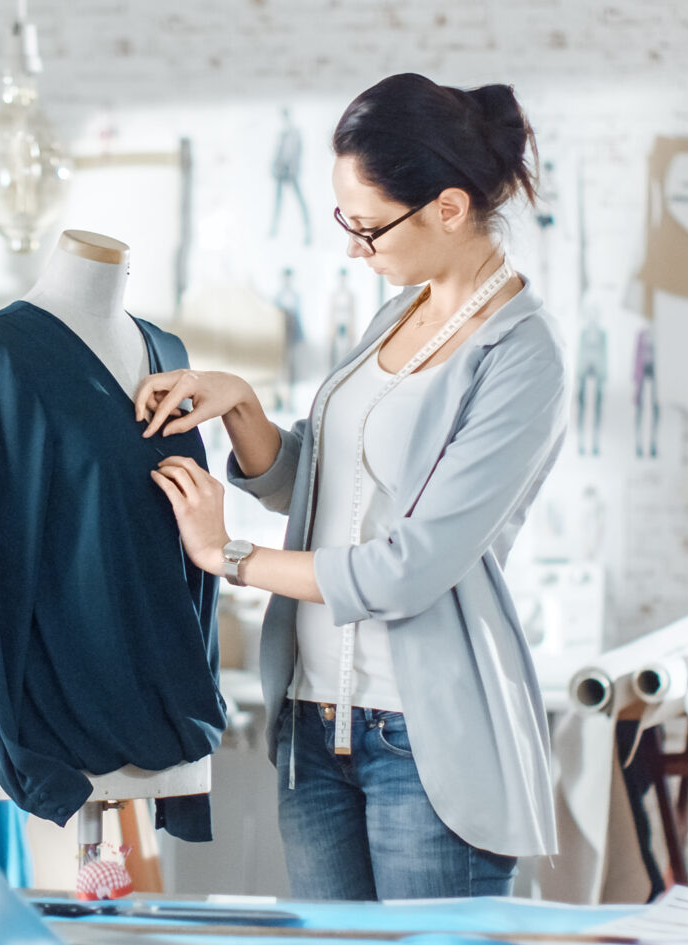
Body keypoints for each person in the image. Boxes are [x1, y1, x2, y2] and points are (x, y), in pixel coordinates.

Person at [134, 73, 565, 900]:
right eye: (345, 222)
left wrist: (227, 555)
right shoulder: (398, 314)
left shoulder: (521, 354)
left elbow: (403, 567)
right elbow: (327, 489)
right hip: (312, 723)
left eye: (367, 228)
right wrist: (243, 407)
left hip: (423, 741)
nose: (353, 249)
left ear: (448, 208)